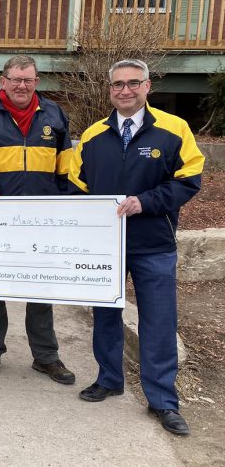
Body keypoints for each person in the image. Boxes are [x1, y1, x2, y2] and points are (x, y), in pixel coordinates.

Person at [69, 59, 204, 435]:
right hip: (104, 246)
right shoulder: (94, 135)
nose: (124, 90)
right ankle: (109, 378)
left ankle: (162, 401)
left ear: (147, 87)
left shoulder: (174, 130)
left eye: (132, 83)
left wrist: (146, 201)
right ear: (109, 90)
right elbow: (76, 186)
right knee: (106, 314)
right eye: (117, 85)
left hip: (153, 244)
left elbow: (189, 179)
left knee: (158, 321)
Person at [0, 55, 76, 384]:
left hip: (42, 219)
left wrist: (70, 208)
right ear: (3, 81)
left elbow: (67, 166)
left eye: (28, 80)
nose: (22, 85)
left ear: (36, 82)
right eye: (16, 79)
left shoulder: (54, 114)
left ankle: (45, 356)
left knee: (40, 286)